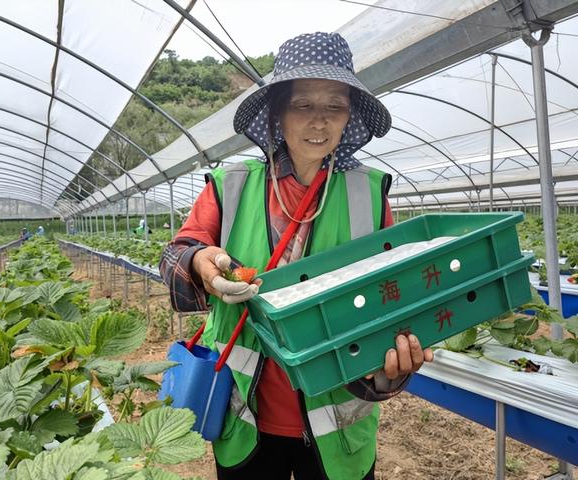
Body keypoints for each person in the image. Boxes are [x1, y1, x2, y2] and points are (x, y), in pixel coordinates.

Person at [160, 32, 434, 480]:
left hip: (338, 426)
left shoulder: (367, 193)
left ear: (350, 117)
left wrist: (394, 364)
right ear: (278, 113)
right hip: (246, 417)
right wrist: (200, 264)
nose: (319, 122)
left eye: (335, 106)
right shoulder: (232, 185)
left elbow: (394, 298)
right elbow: (176, 255)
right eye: (303, 105)